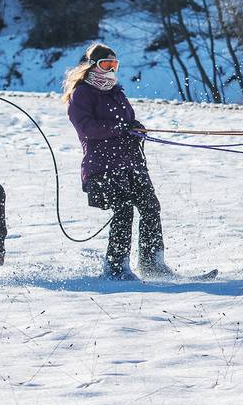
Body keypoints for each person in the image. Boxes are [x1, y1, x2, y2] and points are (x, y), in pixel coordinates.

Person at [64, 43, 173, 280]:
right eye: (106, 65)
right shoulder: (81, 94)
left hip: (131, 164)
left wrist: (136, 129)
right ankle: (116, 267)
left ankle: (153, 263)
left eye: (114, 65)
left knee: (150, 207)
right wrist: (120, 128)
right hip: (102, 167)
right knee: (123, 210)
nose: (111, 70)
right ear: (92, 67)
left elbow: (127, 123)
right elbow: (86, 128)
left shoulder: (117, 93)